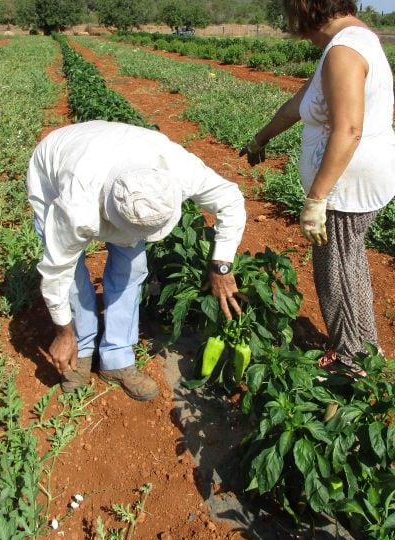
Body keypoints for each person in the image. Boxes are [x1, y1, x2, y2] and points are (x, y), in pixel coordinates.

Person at [240, 0, 395, 370]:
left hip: (348, 184)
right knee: (348, 262)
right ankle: (365, 349)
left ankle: (354, 361)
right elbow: (300, 104)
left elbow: (348, 129)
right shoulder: (347, 43)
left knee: (337, 272)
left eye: (298, 20)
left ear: (310, 9)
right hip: (350, 181)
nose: (300, 32)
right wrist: (261, 138)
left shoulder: (345, 51)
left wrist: (317, 197)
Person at [28, 120, 246, 401]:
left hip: (121, 148)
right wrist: (62, 330)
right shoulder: (75, 204)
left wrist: (222, 264)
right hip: (56, 165)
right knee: (72, 275)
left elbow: (230, 199)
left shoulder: (177, 168)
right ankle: (81, 348)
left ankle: (117, 358)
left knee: (132, 267)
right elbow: (58, 270)